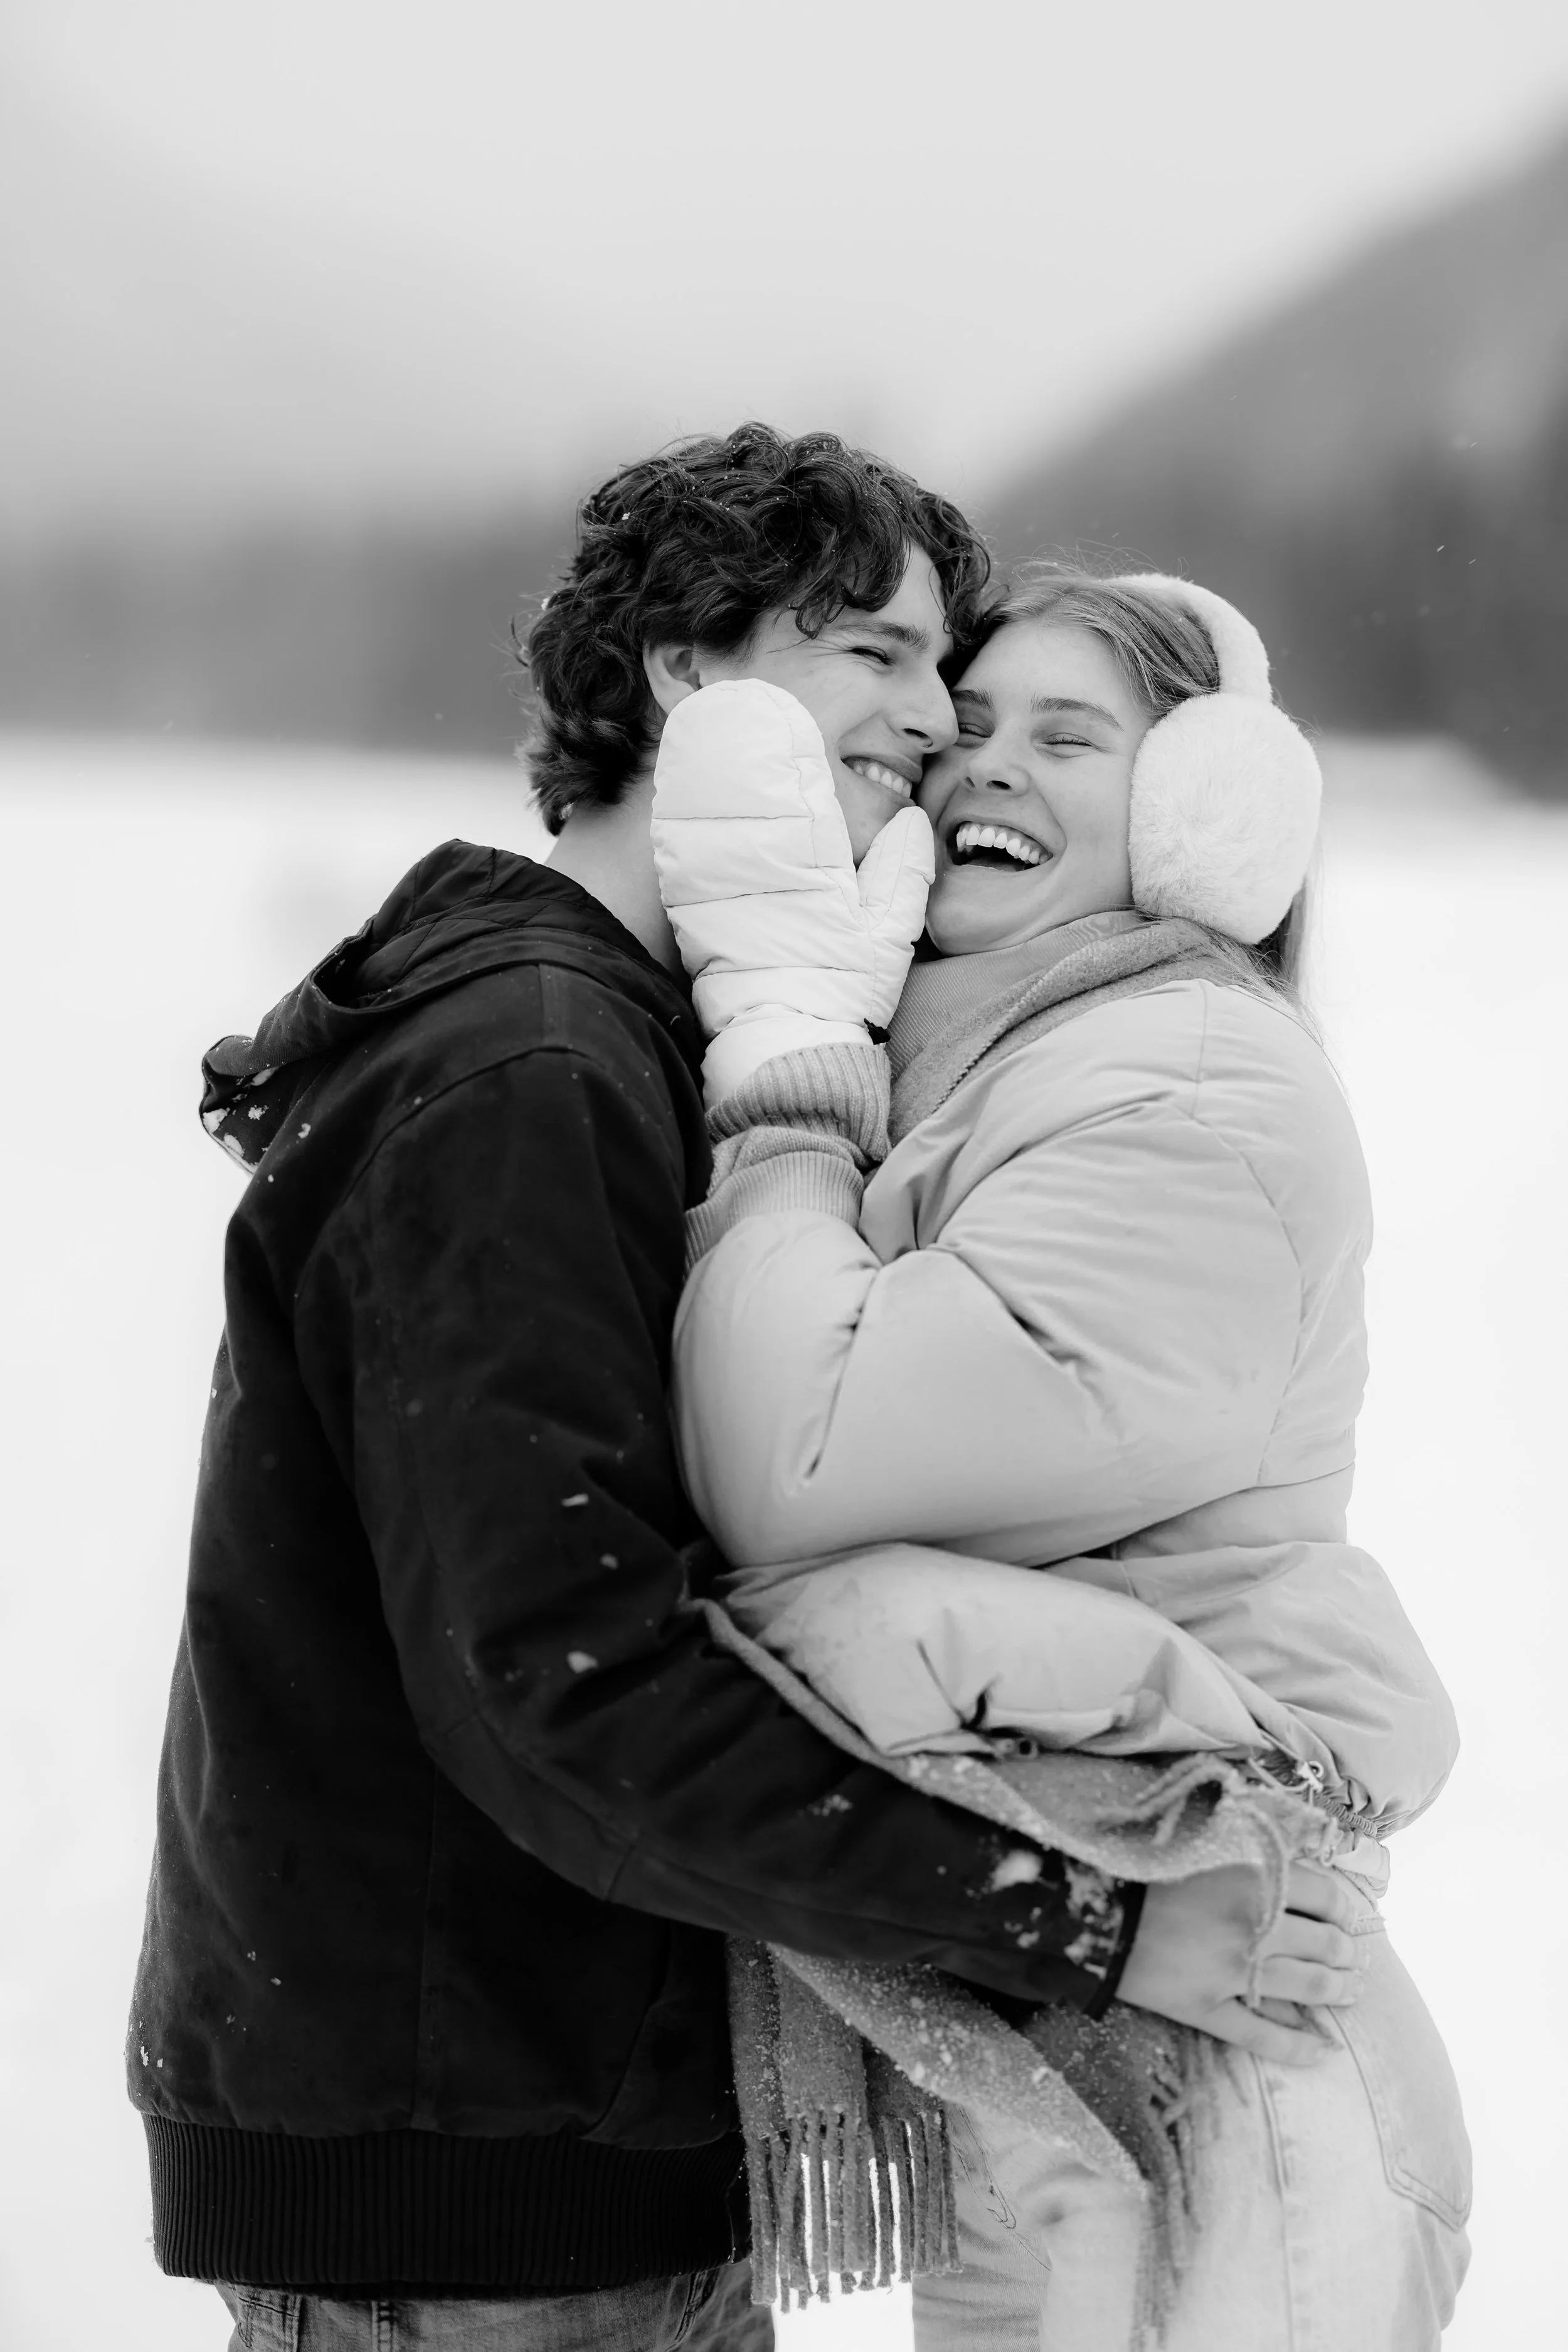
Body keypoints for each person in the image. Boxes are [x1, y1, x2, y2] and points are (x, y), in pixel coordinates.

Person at [125, 432, 1353, 2352]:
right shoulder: (528, 1069)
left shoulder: (620, 1045)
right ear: (685, 672)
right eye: (871, 650)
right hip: (480, 2209)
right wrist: (1079, 1917)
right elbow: (562, 1680)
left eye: (937, 666)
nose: (929, 722)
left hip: (535, 2163)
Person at [651, 567, 1473, 2347]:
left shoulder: (1186, 1095)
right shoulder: (1009, 1061)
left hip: (1224, 2059)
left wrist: (788, 1094)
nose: (983, 766)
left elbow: (792, 1460)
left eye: (1068, 736)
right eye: (970, 723)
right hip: (1093, 1991)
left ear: (1200, 820)